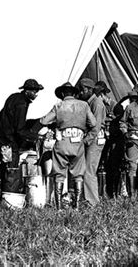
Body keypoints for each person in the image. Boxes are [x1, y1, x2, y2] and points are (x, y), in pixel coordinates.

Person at [40, 82, 97, 210]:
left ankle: (59, 207)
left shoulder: (59, 106)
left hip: (62, 142)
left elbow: (44, 121)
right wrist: (86, 138)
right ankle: (76, 206)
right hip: (78, 143)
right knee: (78, 174)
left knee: (59, 174)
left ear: (62, 94)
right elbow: (93, 123)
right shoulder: (84, 105)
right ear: (74, 93)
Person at [0, 79, 43, 194]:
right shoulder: (22, 104)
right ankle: (11, 199)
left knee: (4, 170)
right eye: (34, 91)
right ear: (26, 91)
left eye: (37, 91)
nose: (36, 94)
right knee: (12, 171)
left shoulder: (13, 97)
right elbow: (20, 129)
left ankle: (4, 196)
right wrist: (36, 137)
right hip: (10, 142)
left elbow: (0, 115)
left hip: (2, 139)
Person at [78, 78, 106, 206]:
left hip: (94, 139)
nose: (80, 93)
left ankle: (92, 202)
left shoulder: (97, 104)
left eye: (82, 90)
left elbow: (96, 127)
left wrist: (85, 140)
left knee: (89, 170)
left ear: (89, 90)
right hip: (91, 138)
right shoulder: (89, 102)